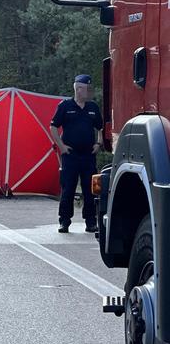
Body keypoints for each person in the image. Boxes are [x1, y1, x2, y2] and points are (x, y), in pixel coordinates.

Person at [50, 74, 104, 233]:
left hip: (88, 155)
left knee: (90, 189)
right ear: (79, 89)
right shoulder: (65, 106)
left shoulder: (92, 107)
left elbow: (100, 128)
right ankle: (64, 221)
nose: (89, 91)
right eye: (87, 88)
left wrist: (99, 143)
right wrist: (61, 146)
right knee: (68, 188)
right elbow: (53, 127)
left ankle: (91, 221)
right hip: (71, 155)